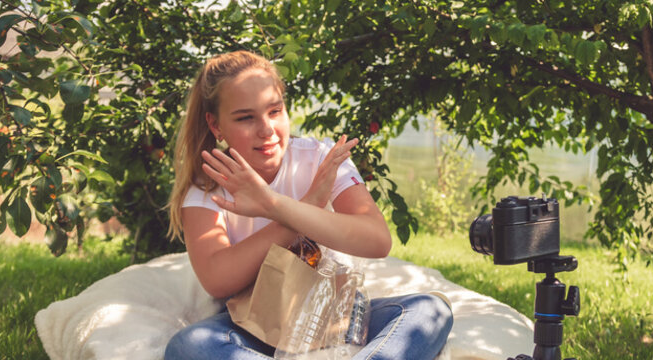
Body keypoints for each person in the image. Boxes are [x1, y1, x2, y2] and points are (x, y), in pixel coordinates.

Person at [164, 50, 452, 360]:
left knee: (429, 310)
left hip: (334, 311)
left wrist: (274, 205)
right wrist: (305, 207)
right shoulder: (208, 185)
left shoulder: (319, 157)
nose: (266, 129)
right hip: (254, 323)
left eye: (275, 111)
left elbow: (377, 240)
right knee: (191, 345)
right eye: (246, 117)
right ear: (215, 125)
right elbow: (218, 280)